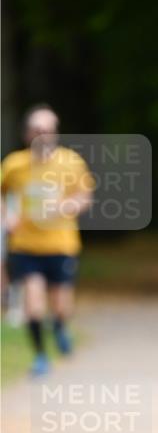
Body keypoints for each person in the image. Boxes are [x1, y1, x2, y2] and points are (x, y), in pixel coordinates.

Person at [1, 105, 92, 376]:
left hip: (61, 244)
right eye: (38, 129)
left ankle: (61, 325)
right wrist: (6, 217)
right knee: (33, 301)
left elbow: (84, 197)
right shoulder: (14, 164)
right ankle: (40, 355)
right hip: (26, 245)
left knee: (61, 304)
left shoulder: (71, 162)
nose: (43, 135)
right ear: (27, 133)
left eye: (48, 130)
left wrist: (65, 207)